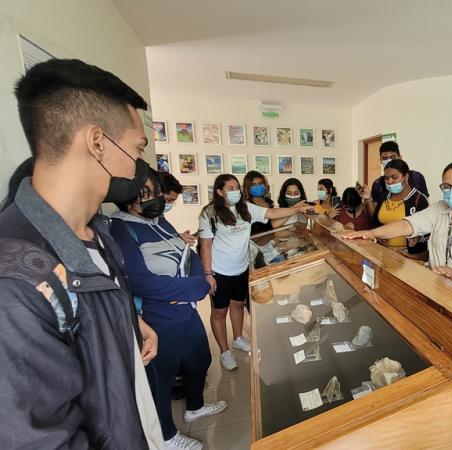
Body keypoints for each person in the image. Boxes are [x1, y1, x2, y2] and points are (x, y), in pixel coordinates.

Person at [0, 59, 163, 448]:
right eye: (137, 147)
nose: (139, 165)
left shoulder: (96, 231)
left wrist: (126, 320)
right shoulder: (16, 279)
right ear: (97, 142)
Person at [111, 169, 226, 450]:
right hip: (157, 317)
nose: (156, 200)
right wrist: (193, 288)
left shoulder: (158, 220)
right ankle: (166, 436)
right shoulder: (121, 228)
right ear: (129, 199)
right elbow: (138, 281)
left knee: (200, 359)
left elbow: (187, 252)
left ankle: (195, 406)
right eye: (146, 195)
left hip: (184, 310)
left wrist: (200, 280)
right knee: (161, 379)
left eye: (155, 193)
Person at [345, 161, 452, 298]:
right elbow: (408, 225)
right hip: (440, 292)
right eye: (446, 187)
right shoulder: (440, 209)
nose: (451, 191)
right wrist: (371, 233)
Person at [199, 174, 311, 371]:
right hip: (220, 270)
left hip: (241, 268)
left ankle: (238, 338)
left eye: (237, 188)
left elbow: (270, 213)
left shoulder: (246, 208)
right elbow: (206, 245)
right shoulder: (209, 214)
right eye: (230, 188)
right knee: (219, 311)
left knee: (237, 305)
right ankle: (225, 351)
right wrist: (208, 274)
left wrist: (294, 209)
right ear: (219, 191)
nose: (235, 192)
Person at [369, 159, 429, 257]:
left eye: (394, 177)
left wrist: (419, 237)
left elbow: (428, 228)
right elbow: (375, 223)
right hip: (382, 253)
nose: (390, 181)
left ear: (406, 177)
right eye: (386, 178)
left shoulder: (419, 199)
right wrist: (378, 236)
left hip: (408, 256)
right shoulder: (384, 197)